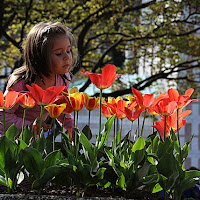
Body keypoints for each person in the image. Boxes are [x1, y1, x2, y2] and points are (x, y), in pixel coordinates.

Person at [0, 21, 77, 136]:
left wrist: (71, 129)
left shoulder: (63, 79)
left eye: (68, 50)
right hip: (8, 141)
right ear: (39, 56)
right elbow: (3, 116)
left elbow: (60, 108)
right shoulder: (21, 82)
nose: (67, 57)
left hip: (33, 140)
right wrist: (31, 126)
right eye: (59, 53)